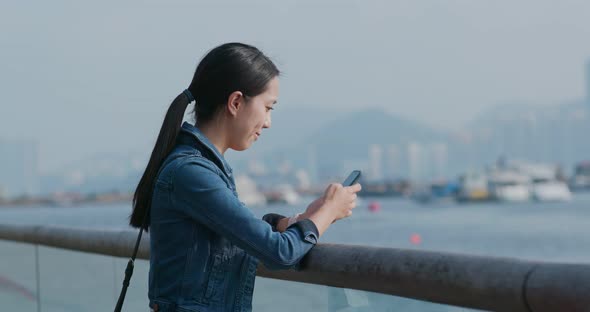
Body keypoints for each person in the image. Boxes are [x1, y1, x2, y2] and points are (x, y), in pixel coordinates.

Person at [129, 42, 362, 312]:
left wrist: (294, 222)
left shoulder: (200, 169)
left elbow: (227, 242)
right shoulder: (191, 173)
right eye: (268, 107)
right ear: (236, 102)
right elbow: (280, 254)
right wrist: (328, 212)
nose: (268, 122)